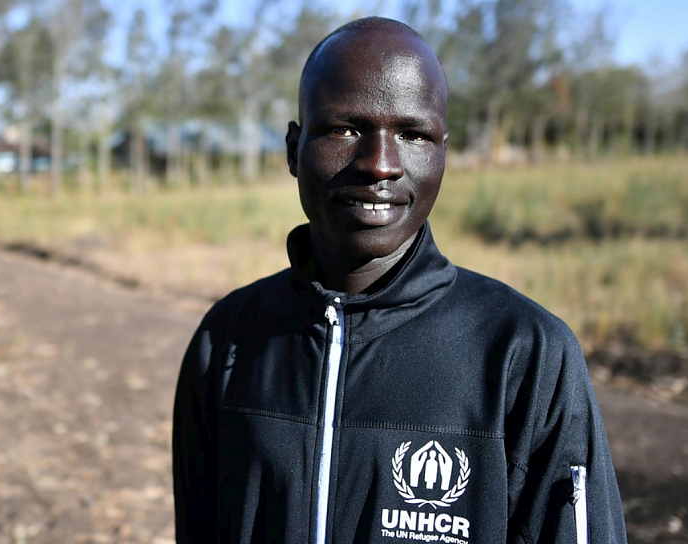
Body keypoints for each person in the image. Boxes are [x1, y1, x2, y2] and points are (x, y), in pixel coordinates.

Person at [172, 16, 627, 544]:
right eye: (345, 129)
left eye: (412, 134)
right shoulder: (228, 338)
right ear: (293, 149)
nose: (381, 165)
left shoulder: (524, 353)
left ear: (442, 153)